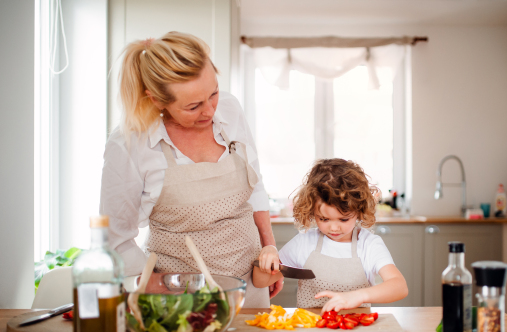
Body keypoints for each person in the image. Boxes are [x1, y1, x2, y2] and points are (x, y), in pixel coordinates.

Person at [100, 31, 282, 307]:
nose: (209, 111)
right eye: (194, 106)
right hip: (177, 297)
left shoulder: (230, 109)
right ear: (157, 100)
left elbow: (254, 184)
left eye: (214, 93)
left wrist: (270, 248)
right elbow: (115, 239)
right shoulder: (130, 143)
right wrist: (159, 288)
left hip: (249, 288)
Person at [256, 158, 408, 312]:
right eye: (324, 219)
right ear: (312, 210)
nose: (334, 227)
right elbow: (261, 282)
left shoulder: (368, 244)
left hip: (356, 331)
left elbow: (399, 287)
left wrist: (358, 296)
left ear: (359, 210)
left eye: (343, 219)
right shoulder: (304, 243)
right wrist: (268, 254)